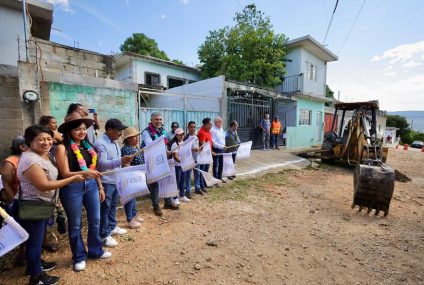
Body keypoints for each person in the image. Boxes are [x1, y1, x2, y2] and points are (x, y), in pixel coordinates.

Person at [17, 125, 85, 285]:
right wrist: (71, 179)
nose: (46, 142)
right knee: (34, 242)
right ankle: (36, 277)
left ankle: (36, 265)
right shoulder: (30, 160)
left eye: (48, 139)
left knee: (37, 241)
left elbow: (62, 139)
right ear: (29, 142)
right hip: (33, 205)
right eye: (40, 139)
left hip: (43, 204)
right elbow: (44, 185)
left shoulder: (44, 154)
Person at [56, 113, 112, 272]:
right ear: (68, 131)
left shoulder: (89, 147)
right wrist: (87, 174)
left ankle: (95, 250)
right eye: (77, 129)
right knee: (75, 224)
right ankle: (79, 256)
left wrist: (100, 186)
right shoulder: (62, 148)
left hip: (92, 186)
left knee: (95, 219)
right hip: (72, 188)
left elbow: (94, 170)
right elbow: (65, 173)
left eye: (83, 129)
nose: (82, 132)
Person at [95, 119, 133, 248]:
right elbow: (101, 164)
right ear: (109, 130)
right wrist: (120, 160)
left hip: (115, 179)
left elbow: (116, 162)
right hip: (105, 181)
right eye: (119, 130)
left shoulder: (115, 142)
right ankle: (104, 235)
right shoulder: (100, 143)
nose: (121, 133)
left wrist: (122, 162)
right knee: (104, 208)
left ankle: (112, 227)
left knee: (112, 206)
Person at [141, 112, 179, 212]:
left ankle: (168, 202)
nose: (158, 121)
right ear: (151, 120)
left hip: (162, 159)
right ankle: (156, 206)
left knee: (165, 179)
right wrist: (164, 151)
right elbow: (150, 145)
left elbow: (165, 143)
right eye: (156, 119)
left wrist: (166, 150)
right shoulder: (146, 132)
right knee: (155, 183)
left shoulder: (163, 130)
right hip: (152, 160)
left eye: (160, 119)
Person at [0, 136, 27, 268]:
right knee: (21, 229)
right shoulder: (10, 163)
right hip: (18, 203)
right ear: (22, 147)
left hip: (29, 201)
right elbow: (5, 185)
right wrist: (12, 203)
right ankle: (22, 255)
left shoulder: (27, 158)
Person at [121, 127, 145, 229]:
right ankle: (130, 219)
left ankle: (134, 214)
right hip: (130, 176)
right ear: (128, 139)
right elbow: (126, 164)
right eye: (135, 137)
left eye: (137, 136)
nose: (137, 138)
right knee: (130, 198)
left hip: (136, 176)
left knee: (134, 197)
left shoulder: (134, 147)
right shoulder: (126, 149)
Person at [170, 128, 189, 203]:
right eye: (180, 135)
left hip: (183, 165)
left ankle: (182, 195)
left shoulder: (184, 142)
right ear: (176, 136)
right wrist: (181, 161)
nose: (181, 136)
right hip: (177, 166)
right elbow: (175, 156)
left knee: (182, 181)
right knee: (176, 182)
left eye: (182, 134)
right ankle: (175, 198)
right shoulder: (174, 144)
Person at [197, 118, 213, 193]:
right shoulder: (202, 132)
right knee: (202, 171)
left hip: (208, 154)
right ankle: (201, 185)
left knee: (206, 170)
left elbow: (209, 143)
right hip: (203, 155)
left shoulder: (208, 131)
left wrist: (211, 151)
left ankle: (205, 183)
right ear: (206, 124)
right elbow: (203, 145)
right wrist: (209, 152)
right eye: (210, 124)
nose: (211, 125)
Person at [183, 121, 200, 197]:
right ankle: (188, 191)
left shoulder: (196, 137)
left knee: (197, 174)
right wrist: (192, 149)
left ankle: (197, 188)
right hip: (188, 160)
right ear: (188, 128)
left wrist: (198, 149)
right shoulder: (185, 137)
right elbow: (183, 149)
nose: (193, 128)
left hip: (196, 158)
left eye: (194, 127)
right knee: (188, 176)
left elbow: (198, 146)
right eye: (191, 127)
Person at [211, 117, 227, 181]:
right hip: (216, 149)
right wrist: (222, 146)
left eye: (221, 121)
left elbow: (223, 138)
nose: (221, 123)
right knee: (216, 165)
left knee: (221, 164)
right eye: (220, 121)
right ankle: (215, 179)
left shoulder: (221, 129)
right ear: (216, 122)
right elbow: (214, 142)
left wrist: (224, 145)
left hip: (222, 149)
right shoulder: (213, 130)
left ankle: (220, 177)